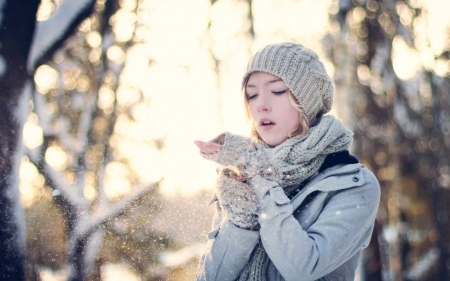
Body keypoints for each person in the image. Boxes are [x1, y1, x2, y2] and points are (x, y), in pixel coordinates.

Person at [194, 42, 380, 281]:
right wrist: (241, 220)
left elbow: (303, 268)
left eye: (278, 90)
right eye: (252, 94)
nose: (260, 105)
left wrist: (261, 177)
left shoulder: (354, 185)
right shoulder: (240, 179)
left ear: (307, 100)